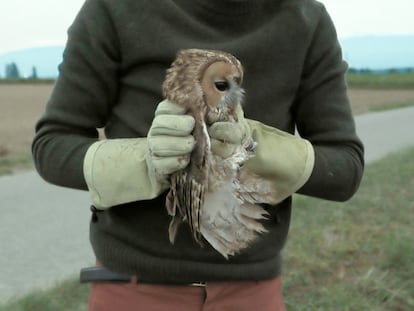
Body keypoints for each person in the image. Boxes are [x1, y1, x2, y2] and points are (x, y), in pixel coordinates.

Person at [32, 0, 364, 310]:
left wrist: (254, 150)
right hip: (133, 288)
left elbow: (345, 168)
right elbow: (53, 145)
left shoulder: (305, 18)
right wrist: (145, 162)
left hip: (252, 290)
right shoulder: (114, 8)